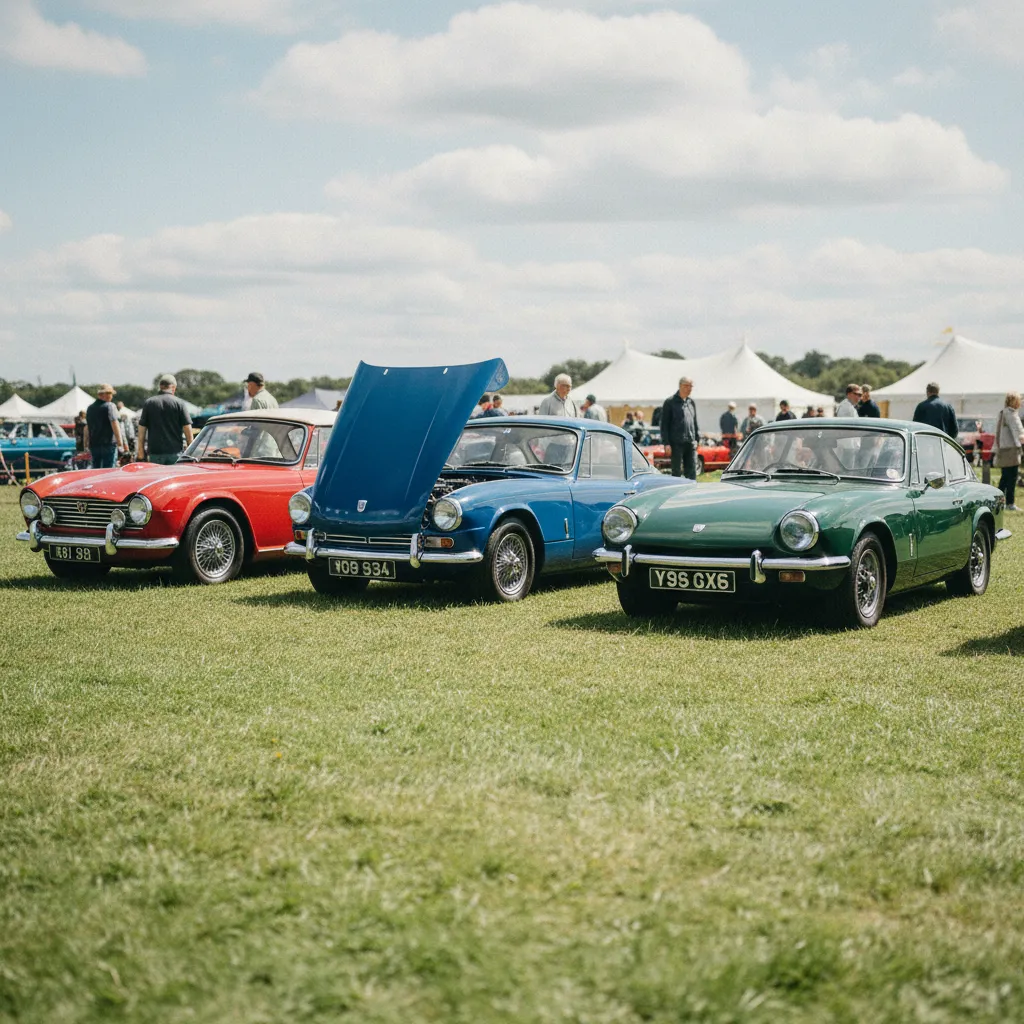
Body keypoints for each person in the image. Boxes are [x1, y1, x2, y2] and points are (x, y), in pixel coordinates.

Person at [138, 373, 194, 465]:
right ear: (173, 387)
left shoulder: (149, 403)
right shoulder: (179, 403)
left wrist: (140, 451)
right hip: (175, 453)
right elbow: (187, 428)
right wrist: (191, 451)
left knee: (158, 478)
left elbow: (142, 428)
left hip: (155, 453)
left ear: (160, 387)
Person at [660, 376, 699, 479]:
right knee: (676, 472)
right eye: (687, 386)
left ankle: (691, 492)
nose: (690, 389)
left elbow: (694, 423)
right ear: (681, 386)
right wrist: (666, 443)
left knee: (691, 471)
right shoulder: (670, 402)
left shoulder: (691, 402)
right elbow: (664, 425)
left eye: (691, 386)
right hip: (676, 443)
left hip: (690, 443)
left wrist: (697, 439)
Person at [993, 391, 1024, 511]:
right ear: (1014, 401)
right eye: (1019, 400)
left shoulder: (1003, 412)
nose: (1020, 402)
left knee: (1005, 477)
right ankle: (1009, 503)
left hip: (1005, 449)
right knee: (1011, 477)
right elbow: (1019, 432)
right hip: (1010, 450)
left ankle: (999, 502)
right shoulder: (1011, 413)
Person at [84, 384, 126, 469]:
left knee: (96, 470)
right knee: (109, 470)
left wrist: (86, 444)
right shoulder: (110, 406)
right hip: (108, 444)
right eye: (110, 394)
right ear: (104, 394)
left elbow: (87, 428)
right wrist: (120, 443)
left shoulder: (90, 408)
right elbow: (115, 424)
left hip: (94, 444)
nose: (111, 396)